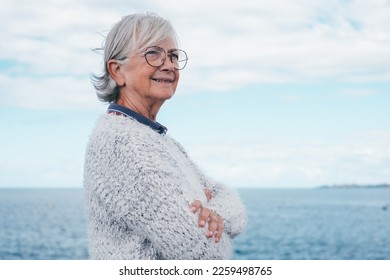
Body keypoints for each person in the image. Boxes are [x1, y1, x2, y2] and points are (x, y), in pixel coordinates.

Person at [83, 12, 246, 260]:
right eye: (153, 53)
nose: (168, 64)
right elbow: (206, 254)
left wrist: (216, 213)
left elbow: (235, 208)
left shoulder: (160, 140)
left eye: (173, 56)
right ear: (117, 71)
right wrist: (209, 211)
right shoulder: (121, 143)